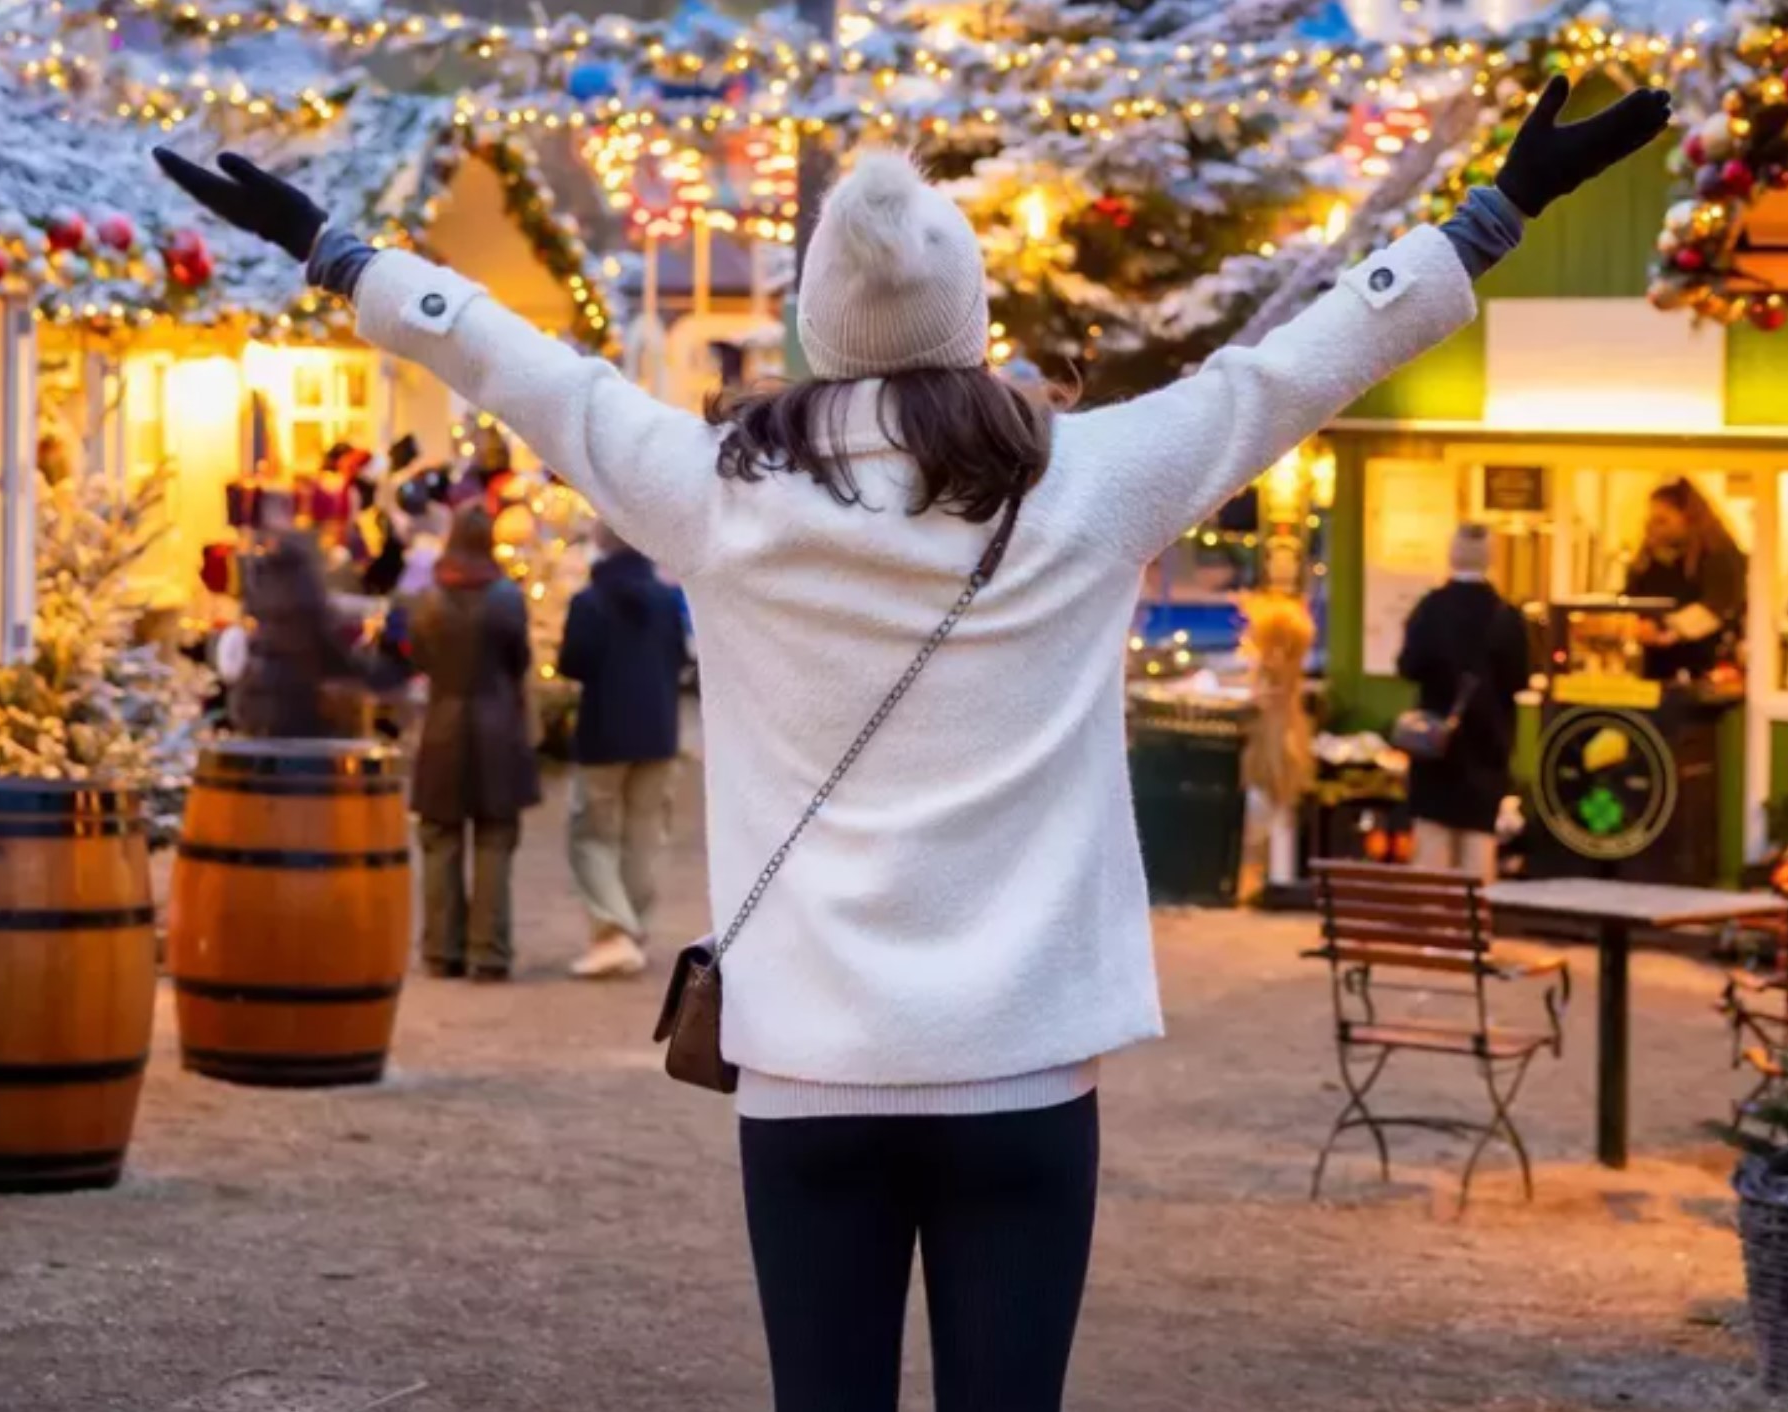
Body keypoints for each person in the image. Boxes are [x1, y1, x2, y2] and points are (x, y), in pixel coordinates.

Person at [156, 76, 1666, 1411]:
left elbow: (528, 371)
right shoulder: (1090, 483)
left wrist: (338, 252)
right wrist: (1491, 214)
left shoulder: (719, 491)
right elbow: (1287, 373)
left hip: (809, 1071)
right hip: (1023, 1072)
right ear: (973, 323)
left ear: (817, 325)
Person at [405, 506, 542, 981]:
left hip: (443, 727)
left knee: (440, 839)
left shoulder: (428, 599)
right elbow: (519, 659)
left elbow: (420, 658)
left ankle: (441, 950)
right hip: (497, 727)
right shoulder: (507, 598)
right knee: (494, 839)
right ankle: (489, 951)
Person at [558, 522, 687, 980]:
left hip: (604, 732)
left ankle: (613, 931)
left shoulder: (588, 602)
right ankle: (633, 930)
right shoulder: (667, 600)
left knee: (592, 834)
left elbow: (572, 662)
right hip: (658, 732)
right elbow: (680, 657)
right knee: (643, 837)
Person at [1397, 524, 1529, 881]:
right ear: (1491, 558)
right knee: (1478, 851)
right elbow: (1519, 680)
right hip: (1486, 749)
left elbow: (1408, 666)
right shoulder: (1505, 616)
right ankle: (1472, 917)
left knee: (1432, 852)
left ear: (1452, 554)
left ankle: (1432, 917)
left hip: (1435, 748)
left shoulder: (1430, 608)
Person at [232, 494, 362, 738]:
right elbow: (325, 640)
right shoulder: (305, 592)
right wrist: (362, 670)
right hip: (297, 697)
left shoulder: (265, 587)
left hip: (261, 697)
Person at [1623, 476, 1747, 682]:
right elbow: (1631, 598)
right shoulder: (1649, 558)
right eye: (1651, 521)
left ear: (1689, 518)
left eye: (1662, 520)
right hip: (1655, 669)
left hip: (1708, 670)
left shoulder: (1719, 555)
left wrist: (1667, 628)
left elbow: (1718, 606)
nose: (1653, 528)